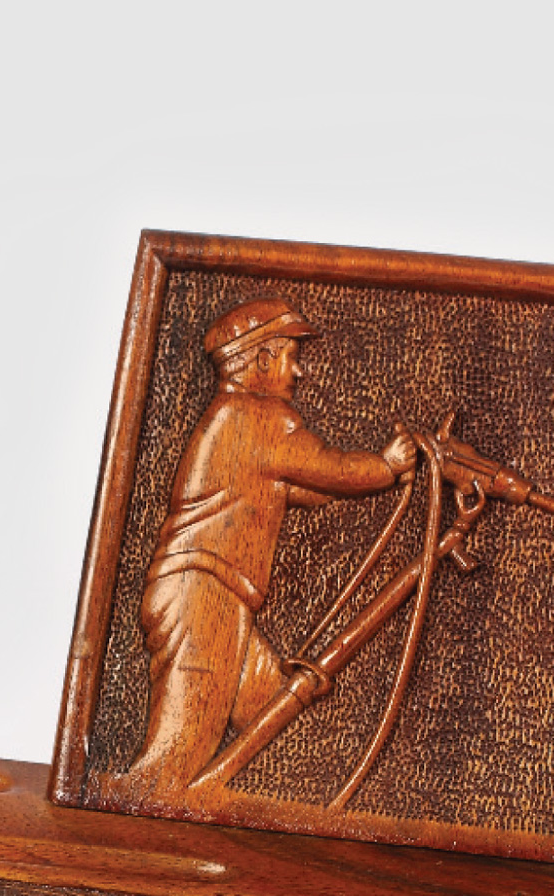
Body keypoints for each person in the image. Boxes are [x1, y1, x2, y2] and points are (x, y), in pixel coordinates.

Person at [124, 296, 418, 790]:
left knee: (273, 711)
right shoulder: (258, 417)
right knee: (180, 750)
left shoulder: (232, 418)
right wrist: (386, 465)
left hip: (214, 596)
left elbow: (300, 487)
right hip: (202, 596)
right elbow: (328, 468)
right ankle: (138, 810)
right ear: (261, 360)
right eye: (290, 356)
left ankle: (251, 808)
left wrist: (365, 480)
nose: (299, 371)